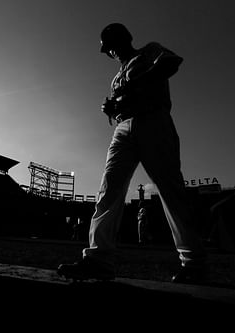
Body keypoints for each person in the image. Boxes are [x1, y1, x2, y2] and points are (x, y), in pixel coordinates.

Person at [57, 23, 207, 284]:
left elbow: (171, 63)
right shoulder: (116, 76)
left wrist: (133, 86)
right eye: (108, 49)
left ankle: (193, 262)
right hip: (123, 126)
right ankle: (98, 260)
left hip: (153, 119)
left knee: (170, 190)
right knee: (109, 191)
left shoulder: (148, 51)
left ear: (122, 39)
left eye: (111, 46)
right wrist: (111, 108)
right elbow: (121, 101)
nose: (109, 52)